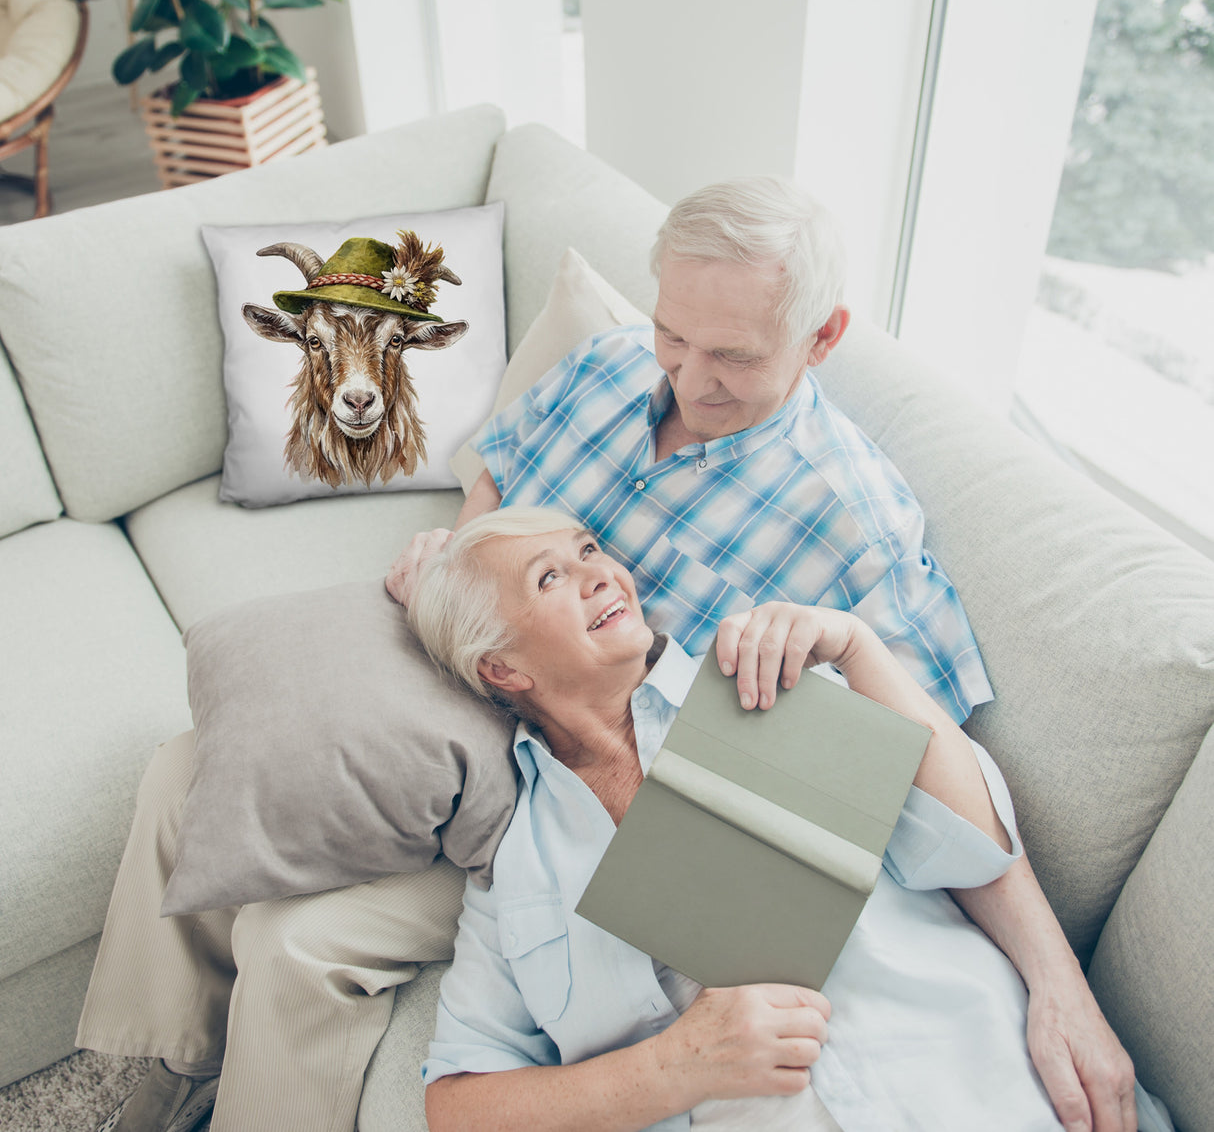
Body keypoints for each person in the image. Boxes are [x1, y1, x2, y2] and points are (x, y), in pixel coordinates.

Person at [79, 178, 1132, 1132]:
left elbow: (927, 774)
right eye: (675, 334)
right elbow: (497, 478)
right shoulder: (608, 365)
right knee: (192, 764)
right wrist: (458, 558)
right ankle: (160, 1066)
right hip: (485, 662)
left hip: (575, 768)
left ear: (820, 338)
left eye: (732, 356)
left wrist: (1058, 982)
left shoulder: (854, 526)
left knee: (300, 941)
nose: (687, 376)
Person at [407, 507, 1158, 1132]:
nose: (600, 573)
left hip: (987, 1084)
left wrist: (858, 649)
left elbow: (973, 847)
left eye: (589, 550)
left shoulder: (762, 680)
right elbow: (458, 1105)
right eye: (550, 577)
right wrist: (675, 1067)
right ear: (501, 668)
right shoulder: (516, 870)